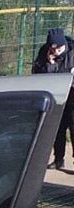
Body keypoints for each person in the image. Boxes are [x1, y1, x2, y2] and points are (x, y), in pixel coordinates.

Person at [32, 27, 74, 169]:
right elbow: (39, 76)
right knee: (58, 129)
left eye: (58, 48)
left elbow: (64, 76)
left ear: (64, 45)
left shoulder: (72, 54)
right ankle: (58, 159)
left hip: (72, 98)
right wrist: (51, 64)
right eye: (52, 48)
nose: (55, 52)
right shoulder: (44, 53)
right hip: (56, 98)